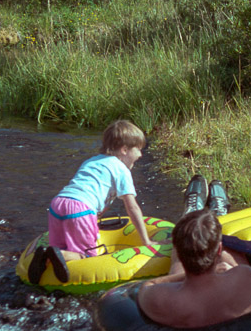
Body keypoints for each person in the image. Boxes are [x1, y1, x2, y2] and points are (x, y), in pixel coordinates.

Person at [28, 119, 156, 284]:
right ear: (124, 149)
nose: (141, 154)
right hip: (80, 208)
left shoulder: (92, 161)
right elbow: (132, 207)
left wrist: (93, 220)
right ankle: (59, 255)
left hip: (58, 204)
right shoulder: (121, 169)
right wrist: (146, 241)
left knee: (60, 245)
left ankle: (48, 256)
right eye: (138, 149)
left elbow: (94, 196)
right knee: (88, 255)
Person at [137, 208, 251, 328]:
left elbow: (147, 285)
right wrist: (218, 271)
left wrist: (189, 274)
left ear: (181, 255)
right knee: (230, 252)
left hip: (185, 319)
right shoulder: (246, 277)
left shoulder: (157, 298)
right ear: (218, 250)